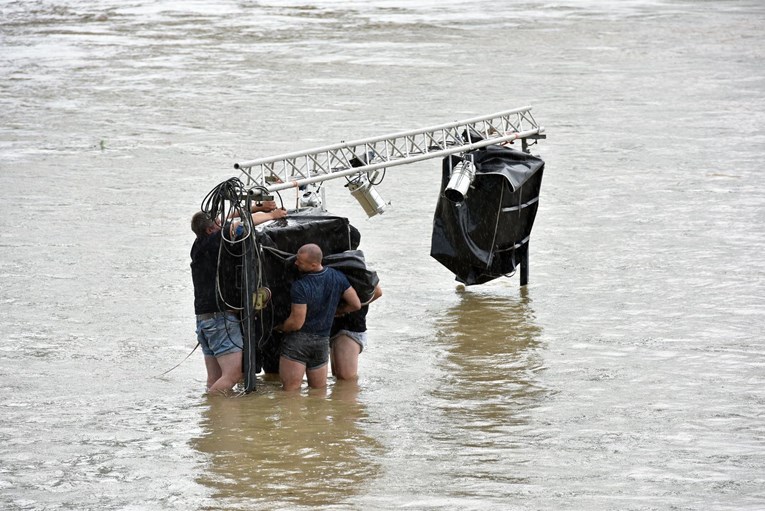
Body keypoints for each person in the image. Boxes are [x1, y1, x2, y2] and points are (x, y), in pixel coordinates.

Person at [190, 201, 286, 396]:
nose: (222, 224)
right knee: (233, 375)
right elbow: (239, 225)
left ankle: (214, 421)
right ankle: (209, 405)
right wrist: (272, 216)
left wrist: (257, 208)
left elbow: (229, 218)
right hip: (220, 320)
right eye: (218, 223)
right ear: (211, 230)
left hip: (204, 320)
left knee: (215, 378)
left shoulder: (199, 245)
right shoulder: (215, 240)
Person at [276, 244, 361, 391]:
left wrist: (280, 327)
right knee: (319, 392)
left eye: (300, 262)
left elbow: (297, 323)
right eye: (296, 258)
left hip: (298, 343)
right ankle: (319, 415)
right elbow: (356, 304)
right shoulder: (337, 277)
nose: (295, 263)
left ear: (314, 264)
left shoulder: (300, 286)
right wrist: (338, 311)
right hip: (322, 343)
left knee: (290, 393)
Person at [330, 284, 382, 380]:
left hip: (348, 328)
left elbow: (377, 291)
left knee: (345, 378)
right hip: (335, 327)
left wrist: (349, 307)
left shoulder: (355, 270)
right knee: (338, 377)